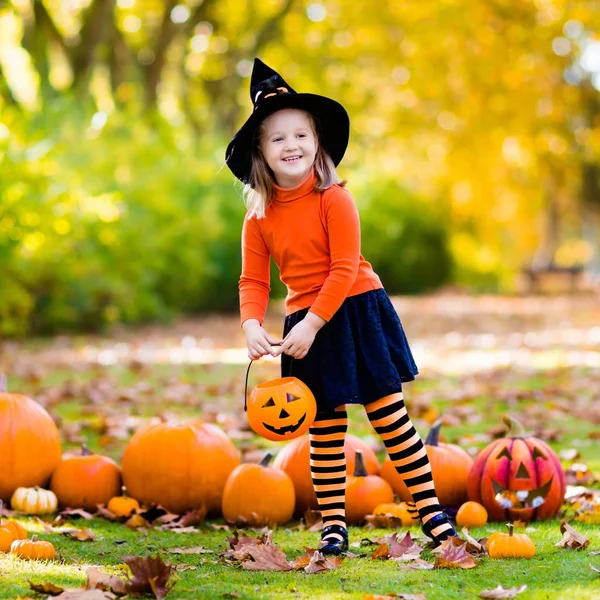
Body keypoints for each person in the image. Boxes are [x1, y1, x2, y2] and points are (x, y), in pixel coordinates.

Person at [226, 58, 458, 556]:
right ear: (261, 154)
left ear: (317, 143)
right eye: (277, 138)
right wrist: (250, 325)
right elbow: (252, 279)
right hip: (303, 323)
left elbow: (344, 267)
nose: (291, 146)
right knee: (324, 427)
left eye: (300, 135)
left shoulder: (335, 200)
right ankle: (334, 524)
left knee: (389, 418)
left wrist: (314, 322)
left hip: (353, 310)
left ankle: (432, 514)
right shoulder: (259, 218)